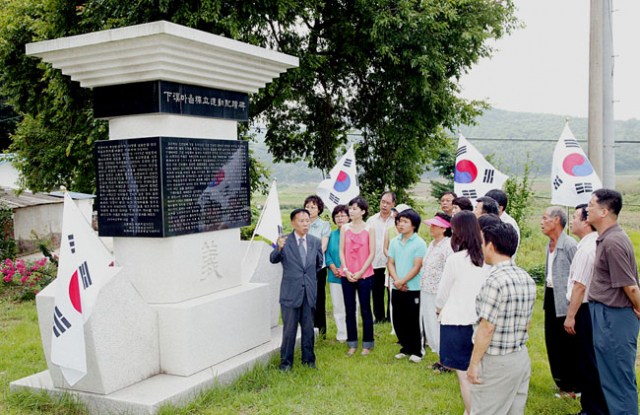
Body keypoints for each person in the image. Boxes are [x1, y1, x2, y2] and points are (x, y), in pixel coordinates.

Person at [468, 223, 537, 414]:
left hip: (495, 361)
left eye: (482, 243)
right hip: (520, 357)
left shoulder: (494, 281)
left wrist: (474, 364)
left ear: (490, 246)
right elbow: (528, 322)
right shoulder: (526, 278)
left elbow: (487, 327)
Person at [587, 189, 640, 414]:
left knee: (619, 380)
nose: (587, 209)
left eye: (591, 205)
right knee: (611, 379)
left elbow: (630, 286)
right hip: (606, 315)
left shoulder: (614, 242)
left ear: (604, 211)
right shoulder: (606, 238)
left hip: (615, 317)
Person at [436, 211, 488, 414]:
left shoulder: (455, 259)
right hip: (481, 323)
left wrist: (439, 310)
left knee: (464, 376)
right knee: (478, 372)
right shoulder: (487, 258)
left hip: (456, 323)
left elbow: (442, 295)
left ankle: (472, 411)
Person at [563, 204, 608, 415]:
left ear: (586, 222)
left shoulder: (587, 248)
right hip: (594, 308)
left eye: (575, 217)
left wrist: (570, 316)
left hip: (585, 309)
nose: (571, 221)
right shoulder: (592, 244)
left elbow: (579, 286)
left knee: (589, 361)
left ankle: (592, 409)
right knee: (592, 359)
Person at [270, 209, 324, 371]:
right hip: (290, 294)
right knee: (289, 331)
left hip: (308, 293)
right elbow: (273, 259)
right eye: (302, 221)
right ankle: (286, 363)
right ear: (293, 223)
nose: (305, 224)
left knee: (308, 329)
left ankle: (309, 361)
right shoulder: (284, 241)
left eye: (307, 220)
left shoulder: (315, 241)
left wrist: (307, 281)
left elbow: (318, 264)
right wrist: (278, 248)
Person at [541, 206, 580, 396]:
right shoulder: (549, 245)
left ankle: (573, 385)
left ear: (557, 220)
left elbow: (580, 275)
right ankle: (561, 381)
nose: (541, 222)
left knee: (567, 344)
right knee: (552, 341)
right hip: (550, 296)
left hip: (565, 299)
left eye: (544, 218)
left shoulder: (570, 245)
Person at [388, 209, 427, 362]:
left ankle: (417, 350)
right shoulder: (394, 242)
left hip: (413, 287)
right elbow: (390, 263)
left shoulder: (420, 243)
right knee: (398, 318)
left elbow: (416, 267)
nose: (401, 224)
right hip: (397, 286)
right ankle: (405, 347)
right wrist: (397, 281)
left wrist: (402, 281)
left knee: (413, 319)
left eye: (405, 221)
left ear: (414, 225)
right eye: (399, 221)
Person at [340, 197, 376, 356]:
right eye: (350, 208)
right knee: (349, 310)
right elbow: (341, 250)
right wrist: (346, 270)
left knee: (366, 310)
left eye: (355, 208)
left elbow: (372, 252)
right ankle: (352, 343)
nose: (351, 211)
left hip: (365, 274)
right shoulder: (344, 228)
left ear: (363, 211)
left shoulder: (370, 229)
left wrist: (361, 272)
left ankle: (367, 344)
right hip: (346, 274)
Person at [420, 213, 453, 371]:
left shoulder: (449, 246)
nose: (431, 228)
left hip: (439, 293)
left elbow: (450, 272)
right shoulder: (432, 244)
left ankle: (447, 361)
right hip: (426, 289)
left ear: (444, 228)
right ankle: (441, 358)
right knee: (431, 325)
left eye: (435, 225)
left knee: (440, 326)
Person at [304, 195, 332, 338]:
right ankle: (306, 330)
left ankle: (321, 332)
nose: (309, 209)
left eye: (313, 207)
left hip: (318, 267)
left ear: (319, 209)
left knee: (318, 299)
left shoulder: (324, 225)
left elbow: (323, 245)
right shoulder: (301, 224)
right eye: (307, 206)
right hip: (302, 267)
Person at [366, 191, 396, 324]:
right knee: (376, 291)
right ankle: (378, 317)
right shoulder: (371, 220)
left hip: (392, 262)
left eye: (388, 203)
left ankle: (391, 317)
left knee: (391, 290)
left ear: (393, 204)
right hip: (375, 261)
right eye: (383, 202)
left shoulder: (397, 221)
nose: (384, 205)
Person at [325, 205, 350, 343]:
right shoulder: (332, 235)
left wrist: (345, 269)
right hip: (335, 276)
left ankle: (352, 332)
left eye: (343, 215)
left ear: (349, 217)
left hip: (351, 275)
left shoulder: (353, 234)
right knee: (338, 306)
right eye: (337, 216)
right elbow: (327, 253)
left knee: (351, 305)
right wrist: (334, 267)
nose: (340, 218)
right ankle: (342, 334)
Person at [485, 189, 521, 258]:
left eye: (487, 206)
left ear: (500, 208)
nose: (485, 209)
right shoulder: (491, 220)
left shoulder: (508, 224)